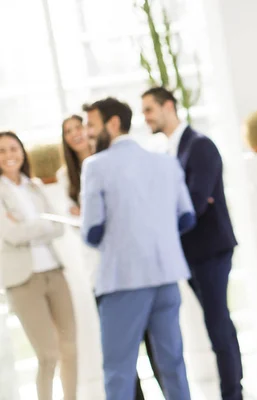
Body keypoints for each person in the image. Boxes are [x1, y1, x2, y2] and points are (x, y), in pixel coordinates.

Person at [80, 97, 196, 400]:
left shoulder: (95, 166)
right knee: (173, 364)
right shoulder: (165, 161)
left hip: (124, 280)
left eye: (91, 125)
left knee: (118, 369)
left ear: (113, 123)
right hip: (166, 276)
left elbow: (91, 232)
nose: (87, 133)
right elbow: (186, 217)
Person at [141, 87, 243, 400]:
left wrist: (173, 210)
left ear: (168, 106)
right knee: (219, 322)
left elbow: (196, 204)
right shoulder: (169, 151)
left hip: (211, 250)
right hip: (190, 252)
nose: (145, 117)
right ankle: (233, 389)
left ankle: (232, 394)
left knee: (217, 325)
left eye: (149, 109)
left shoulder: (199, 146)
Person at [60, 114, 161, 400]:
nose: (77, 134)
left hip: (135, 265)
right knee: (121, 351)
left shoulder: (112, 160)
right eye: (69, 131)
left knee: (154, 343)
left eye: (80, 127)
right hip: (102, 273)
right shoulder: (64, 176)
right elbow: (79, 226)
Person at [0, 131, 77, 400]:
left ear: (22, 152)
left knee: (70, 348)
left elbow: (58, 227)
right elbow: (10, 235)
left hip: (54, 272)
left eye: (14, 148)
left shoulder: (34, 186)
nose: (10, 155)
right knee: (47, 354)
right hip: (24, 281)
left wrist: (27, 225)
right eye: (3, 151)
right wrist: (38, 225)